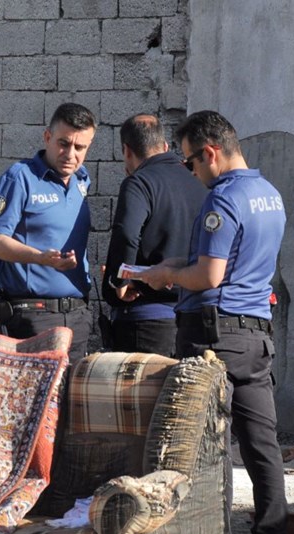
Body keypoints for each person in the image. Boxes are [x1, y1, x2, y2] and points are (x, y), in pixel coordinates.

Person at [133, 110, 287, 534]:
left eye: (189, 163)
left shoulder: (222, 200)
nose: (191, 173)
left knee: (200, 447)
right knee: (262, 445)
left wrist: (168, 278)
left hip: (212, 337)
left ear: (211, 153)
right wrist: (168, 268)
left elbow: (210, 275)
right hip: (256, 336)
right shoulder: (268, 194)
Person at [0, 102, 97, 361]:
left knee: (70, 399)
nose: (71, 154)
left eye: (80, 148)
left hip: (77, 316)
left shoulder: (81, 181)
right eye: (63, 143)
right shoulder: (20, 178)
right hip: (34, 316)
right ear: (47, 137)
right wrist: (39, 258)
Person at [101, 113, 208, 355]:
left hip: (146, 321)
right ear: (165, 146)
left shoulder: (139, 182)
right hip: (195, 318)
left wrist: (120, 280)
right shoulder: (199, 180)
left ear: (127, 151)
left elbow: (127, 234)